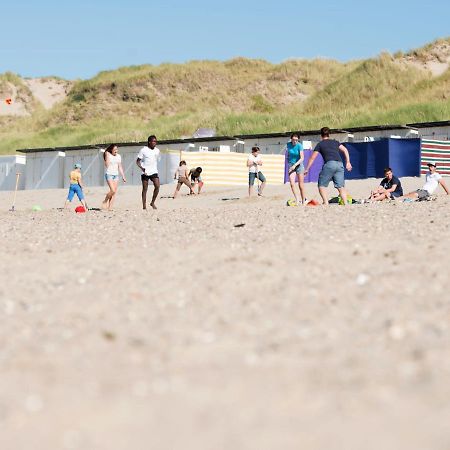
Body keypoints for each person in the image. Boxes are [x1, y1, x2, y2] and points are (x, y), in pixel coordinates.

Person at [304, 127, 352, 205]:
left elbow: (312, 158)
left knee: (321, 185)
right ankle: (346, 203)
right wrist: (348, 162)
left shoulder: (320, 144)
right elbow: (345, 150)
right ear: (329, 134)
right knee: (341, 186)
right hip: (340, 164)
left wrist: (307, 169)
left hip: (330, 164)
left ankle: (326, 202)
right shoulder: (335, 142)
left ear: (321, 135)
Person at [136, 135, 160, 210]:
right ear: (149, 142)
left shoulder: (157, 150)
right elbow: (137, 161)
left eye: (155, 141)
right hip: (145, 172)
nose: (155, 143)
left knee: (157, 186)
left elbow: (156, 159)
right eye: (153, 141)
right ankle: (144, 206)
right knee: (145, 189)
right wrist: (142, 168)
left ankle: (152, 202)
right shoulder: (143, 150)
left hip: (154, 171)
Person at [102, 144, 126, 210]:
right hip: (109, 174)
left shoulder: (119, 156)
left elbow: (120, 166)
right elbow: (107, 165)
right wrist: (107, 155)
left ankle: (110, 207)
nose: (116, 151)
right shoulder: (108, 155)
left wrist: (123, 176)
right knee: (112, 190)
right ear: (111, 150)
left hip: (116, 175)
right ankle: (105, 201)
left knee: (114, 192)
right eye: (114, 149)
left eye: (117, 149)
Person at [286, 133, 306, 205]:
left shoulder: (299, 145)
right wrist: (289, 164)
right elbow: (288, 155)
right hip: (291, 165)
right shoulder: (288, 145)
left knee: (301, 185)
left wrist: (295, 165)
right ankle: (297, 199)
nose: (295, 141)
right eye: (293, 140)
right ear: (291, 139)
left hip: (299, 165)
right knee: (292, 184)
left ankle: (303, 200)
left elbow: (302, 158)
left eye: (296, 140)